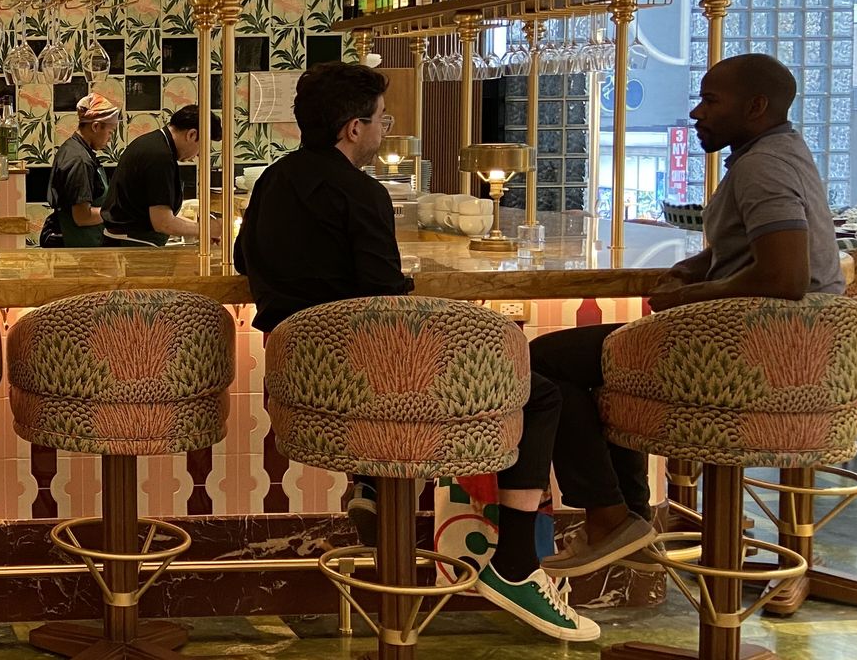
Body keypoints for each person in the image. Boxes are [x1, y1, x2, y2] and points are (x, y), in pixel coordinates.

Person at [239, 63, 595, 642]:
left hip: (302, 383)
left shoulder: (271, 181)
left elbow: (242, 264)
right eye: (382, 120)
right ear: (353, 128)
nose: (385, 128)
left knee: (374, 379)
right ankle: (515, 565)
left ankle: (374, 483)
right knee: (541, 393)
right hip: (373, 378)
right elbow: (384, 298)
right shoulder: (361, 192)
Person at [534, 53, 843, 578]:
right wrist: (700, 265)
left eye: (710, 100)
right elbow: (762, 248)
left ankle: (615, 519)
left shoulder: (762, 167)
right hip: (793, 349)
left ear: (757, 106)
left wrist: (686, 299)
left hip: (753, 354)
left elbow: (785, 278)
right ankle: (626, 518)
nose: (697, 113)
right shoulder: (778, 152)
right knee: (602, 362)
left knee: (542, 363)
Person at [100, 106, 215, 247]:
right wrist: (207, 229)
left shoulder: (154, 143)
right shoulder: (160, 156)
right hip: (132, 246)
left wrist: (199, 228)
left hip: (128, 241)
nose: (198, 154)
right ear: (192, 134)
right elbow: (163, 223)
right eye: (202, 146)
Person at [45, 94, 118, 248]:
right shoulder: (79, 160)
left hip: (84, 245)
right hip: (79, 249)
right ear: (96, 126)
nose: (110, 139)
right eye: (110, 132)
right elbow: (82, 217)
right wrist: (118, 213)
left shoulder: (73, 149)